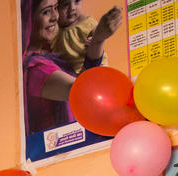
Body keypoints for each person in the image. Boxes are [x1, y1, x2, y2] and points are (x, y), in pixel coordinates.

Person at [22, 0, 122, 134]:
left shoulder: (51, 51)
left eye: (56, 8)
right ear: (28, 20)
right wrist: (97, 41)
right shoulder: (36, 68)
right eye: (46, 11)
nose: (55, 17)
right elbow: (83, 92)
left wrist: (97, 40)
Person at [54, 0, 105, 74]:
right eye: (65, 4)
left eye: (77, 1)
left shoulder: (85, 21)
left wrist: (94, 41)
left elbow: (97, 35)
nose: (72, 8)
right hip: (71, 73)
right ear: (56, 8)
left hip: (95, 66)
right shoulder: (54, 28)